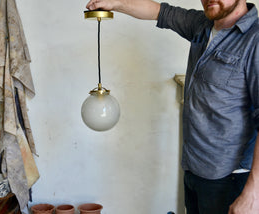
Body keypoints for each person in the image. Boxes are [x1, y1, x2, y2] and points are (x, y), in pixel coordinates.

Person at [86, 0, 259, 214]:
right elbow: (160, 12)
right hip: (194, 169)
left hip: (230, 179)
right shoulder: (201, 25)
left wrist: (254, 193)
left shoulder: (255, 40)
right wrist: (115, 3)